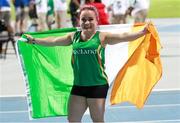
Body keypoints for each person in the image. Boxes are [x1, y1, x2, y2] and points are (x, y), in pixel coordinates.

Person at [25, 5, 149, 122]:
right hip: (79, 86)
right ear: (79, 21)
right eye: (83, 19)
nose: (87, 22)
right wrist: (35, 40)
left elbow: (124, 36)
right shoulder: (73, 37)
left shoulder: (102, 37)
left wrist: (141, 32)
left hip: (97, 86)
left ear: (96, 21)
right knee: (73, 120)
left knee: (97, 120)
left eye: (90, 19)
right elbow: (54, 41)